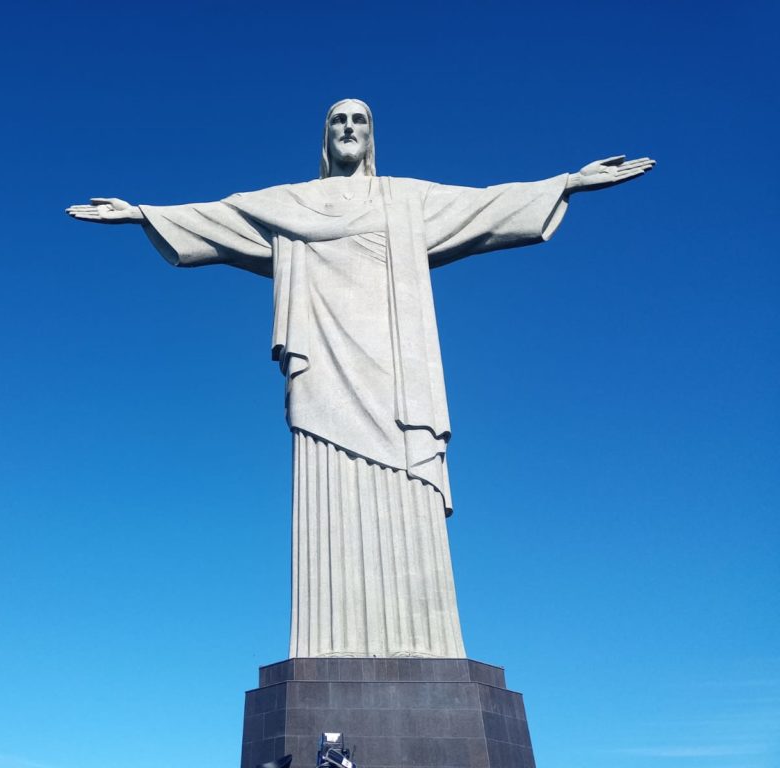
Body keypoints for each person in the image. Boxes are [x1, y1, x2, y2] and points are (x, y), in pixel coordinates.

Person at [67, 99, 654, 658]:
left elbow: (484, 206)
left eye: (359, 120)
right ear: (326, 137)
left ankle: (427, 641)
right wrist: (143, 213)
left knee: (408, 492)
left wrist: (567, 183)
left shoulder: (405, 199)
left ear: (372, 136)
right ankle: (328, 638)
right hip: (323, 367)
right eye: (338, 120)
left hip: (397, 372)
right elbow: (223, 216)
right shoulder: (290, 203)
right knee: (328, 490)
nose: (349, 127)